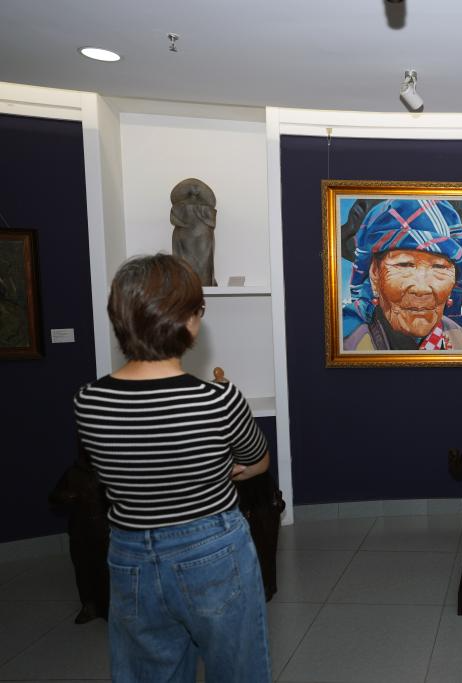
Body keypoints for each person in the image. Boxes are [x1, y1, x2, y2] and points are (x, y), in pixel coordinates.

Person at [73, 254, 272, 682]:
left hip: (129, 553)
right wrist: (229, 470)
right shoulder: (219, 399)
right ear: (188, 321)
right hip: (212, 548)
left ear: (119, 318)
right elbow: (257, 462)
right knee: (237, 667)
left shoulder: (89, 402)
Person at [343, 198, 462, 350]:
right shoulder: (348, 341)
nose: (421, 289)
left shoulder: (458, 336)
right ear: (375, 274)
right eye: (404, 265)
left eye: (439, 267)